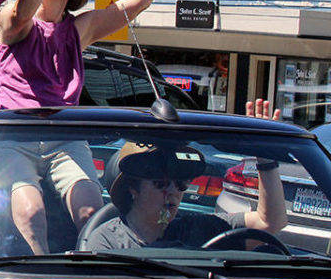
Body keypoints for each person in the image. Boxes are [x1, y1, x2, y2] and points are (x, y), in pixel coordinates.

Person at [0, 0, 206, 254]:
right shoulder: (11, 15)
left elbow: (137, 3)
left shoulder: (81, 28)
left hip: (65, 139)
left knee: (92, 211)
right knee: (32, 213)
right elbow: (19, 17)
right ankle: (43, 275)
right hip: (13, 135)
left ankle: (93, 268)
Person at [86, 101, 287, 251]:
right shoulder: (106, 242)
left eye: (181, 184)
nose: (173, 192)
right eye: (160, 183)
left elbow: (270, 222)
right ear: (132, 189)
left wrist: (266, 157)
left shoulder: (198, 229)